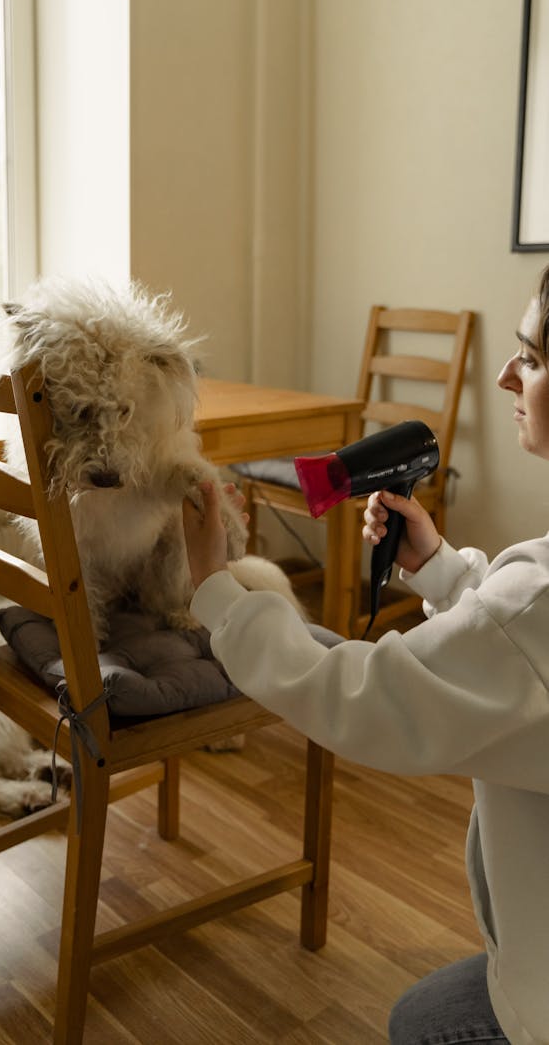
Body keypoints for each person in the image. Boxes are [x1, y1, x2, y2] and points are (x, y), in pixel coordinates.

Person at [182, 273, 549, 1045]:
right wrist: (446, 571)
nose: (506, 375)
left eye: (532, 356)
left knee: (417, 1027)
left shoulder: (536, 598)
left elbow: (363, 698)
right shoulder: (528, 597)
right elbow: (519, 645)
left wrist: (214, 587)